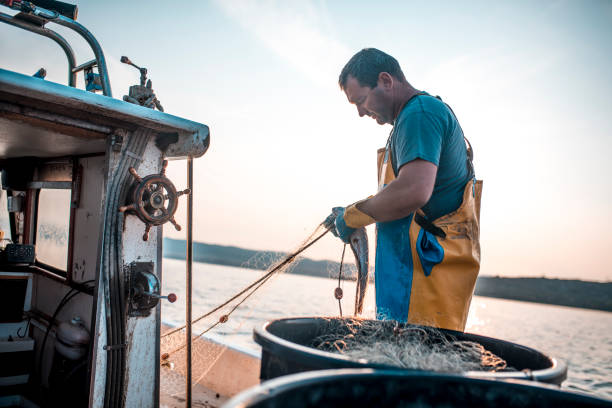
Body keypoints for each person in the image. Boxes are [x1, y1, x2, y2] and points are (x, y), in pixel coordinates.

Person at [326, 48, 482, 332]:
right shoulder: (411, 120)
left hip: (424, 287)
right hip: (406, 284)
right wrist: (350, 215)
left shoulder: (420, 114)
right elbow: (405, 193)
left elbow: (413, 191)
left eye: (361, 100)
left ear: (386, 80)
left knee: (410, 369)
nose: (361, 112)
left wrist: (352, 217)